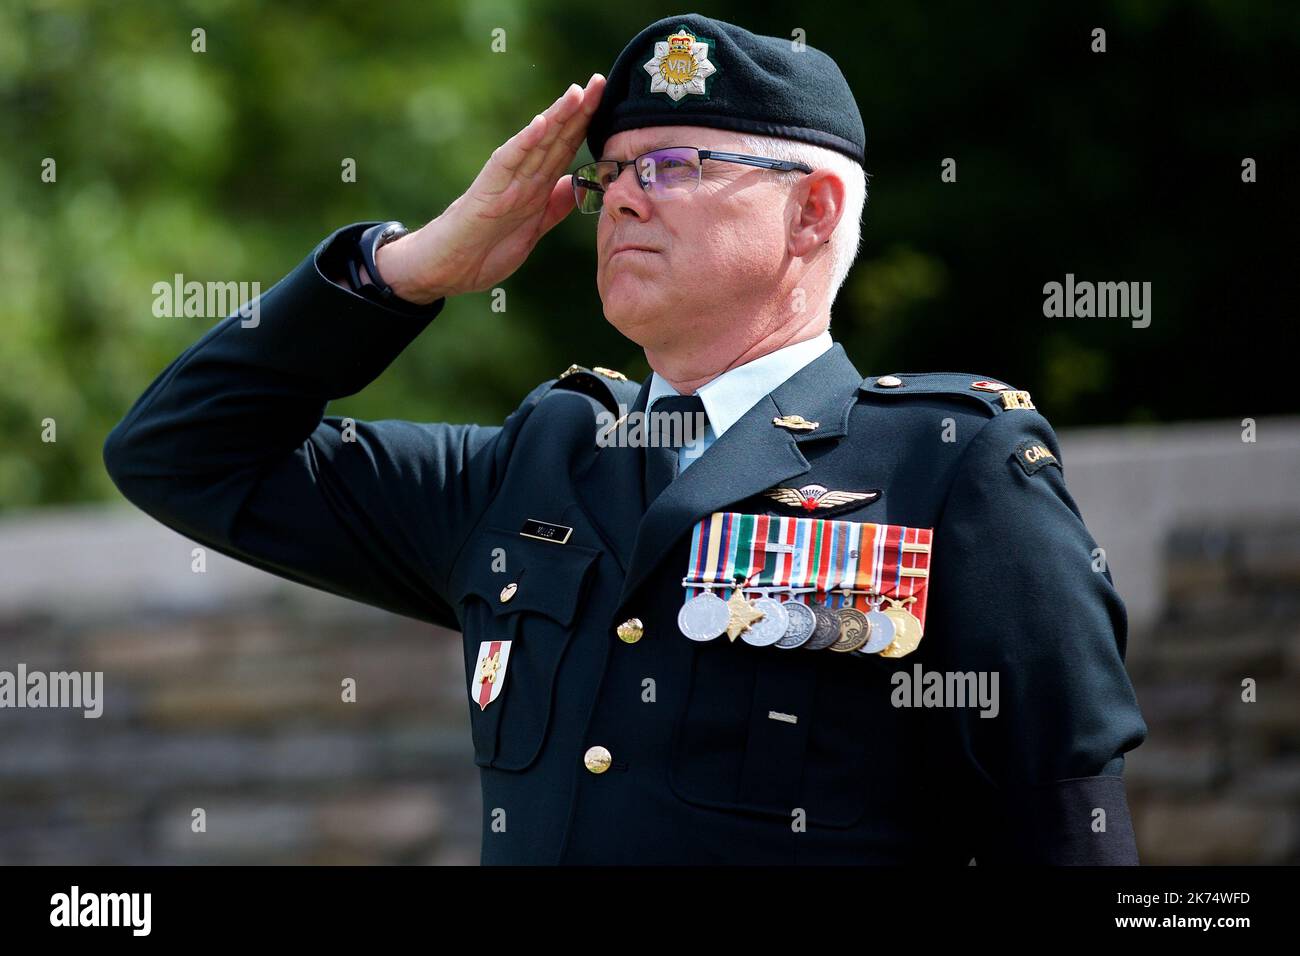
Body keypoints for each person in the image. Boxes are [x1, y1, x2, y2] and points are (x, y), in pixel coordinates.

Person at [103, 14, 1147, 864]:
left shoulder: (952, 469)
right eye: (611, 175)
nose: (623, 200)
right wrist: (408, 268)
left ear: (814, 212)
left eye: (676, 164)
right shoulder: (539, 461)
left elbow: (1066, 833)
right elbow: (181, 451)